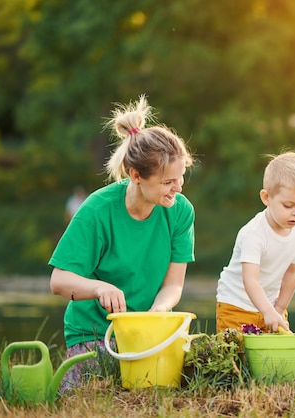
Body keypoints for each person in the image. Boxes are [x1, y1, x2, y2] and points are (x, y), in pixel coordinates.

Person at [49, 95, 195, 389]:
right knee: (99, 390)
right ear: (136, 175)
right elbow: (59, 281)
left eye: (180, 178)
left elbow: (173, 285)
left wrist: (159, 311)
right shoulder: (96, 211)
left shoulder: (180, 211)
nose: (178, 189)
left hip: (146, 333)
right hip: (93, 333)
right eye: (168, 182)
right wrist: (99, 287)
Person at [215, 151, 295, 333]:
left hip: (270, 306)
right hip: (237, 305)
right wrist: (268, 310)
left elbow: (293, 271)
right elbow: (251, 279)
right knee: (236, 355)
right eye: (288, 205)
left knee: (274, 358)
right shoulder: (254, 233)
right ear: (266, 198)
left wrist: (278, 308)